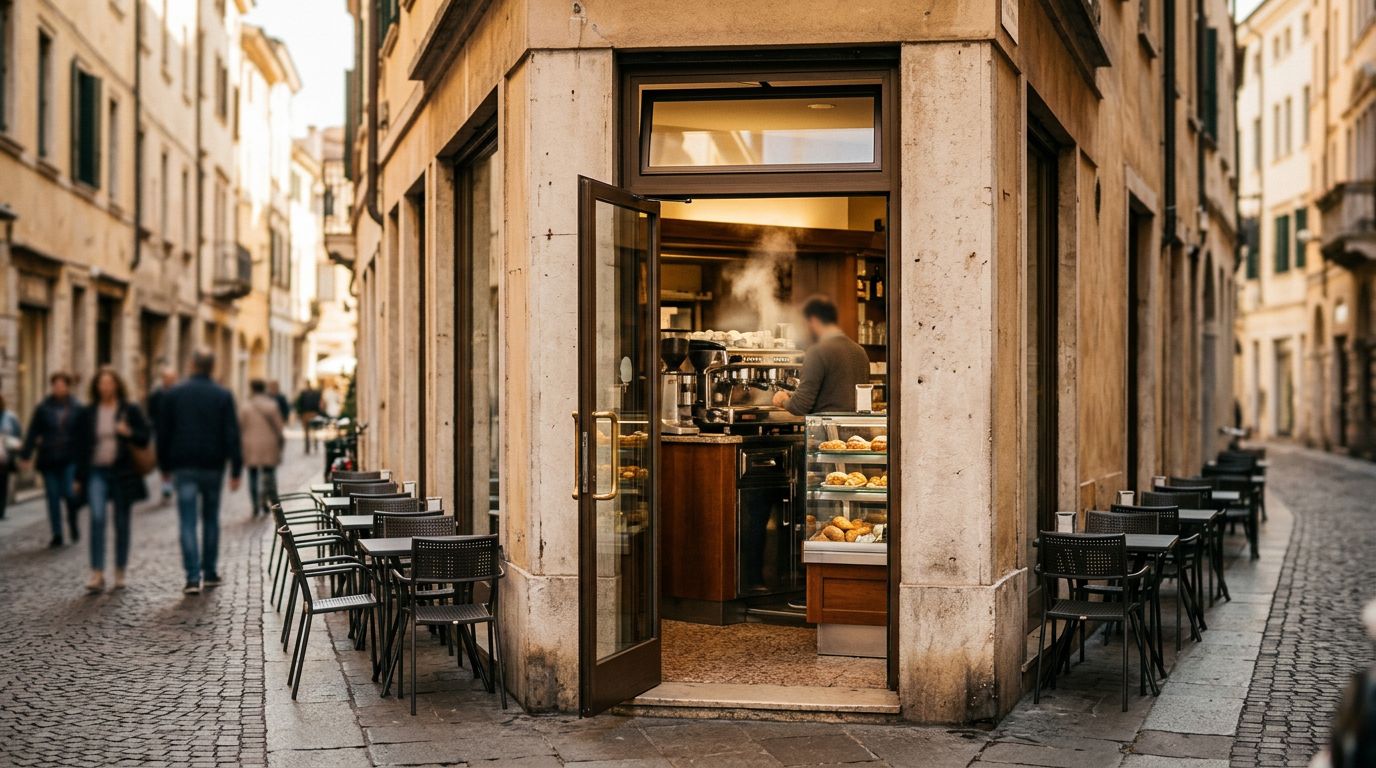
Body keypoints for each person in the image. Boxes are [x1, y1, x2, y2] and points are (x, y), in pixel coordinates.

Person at [155, 350, 242, 594]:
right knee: (211, 519)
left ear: (191, 364)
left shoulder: (174, 394)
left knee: (187, 521)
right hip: (213, 465)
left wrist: (163, 466)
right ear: (212, 367)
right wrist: (235, 468)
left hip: (183, 465)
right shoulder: (223, 395)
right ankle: (210, 572)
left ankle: (193, 577)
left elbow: (164, 433)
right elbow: (231, 433)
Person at [73, 367, 151, 593]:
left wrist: (128, 433)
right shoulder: (88, 412)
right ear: (96, 387)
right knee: (96, 518)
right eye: (101, 383)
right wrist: (79, 476)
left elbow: (145, 438)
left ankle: (120, 570)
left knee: (121, 522)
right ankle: (97, 572)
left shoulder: (130, 409)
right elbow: (80, 447)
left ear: (117, 385)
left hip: (122, 473)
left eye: (109, 382)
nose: (105, 387)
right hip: (97, 471)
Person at [771, 295, 871, 416]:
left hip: (827, 431)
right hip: (856, 431)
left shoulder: (817, 352)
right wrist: (793, 396)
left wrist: (783, 399)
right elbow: (834, 395)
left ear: (813, 321)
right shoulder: (859, 351)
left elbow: (800, 406)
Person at [20, 372, 83, 548]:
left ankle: (73, 522)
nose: (58, 388)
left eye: (62, 385)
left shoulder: (77, 408)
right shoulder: (43, 408)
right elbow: (33, 432)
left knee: (70, 494)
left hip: (69, 459)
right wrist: (26, 455)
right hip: (49, 459)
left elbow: (83, 435)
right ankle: (57, 533)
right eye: (55, 385)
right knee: (53, 497)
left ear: (68, 387)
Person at [240, 379, 284, 517]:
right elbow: (279, 428)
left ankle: (255, 505)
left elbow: (240, 427)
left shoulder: (245, 407)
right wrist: (280, 444)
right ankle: (264, 501)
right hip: (269, 445)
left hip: (250, 445)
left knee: (252, 476)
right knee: (269, 475)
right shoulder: (271, 406)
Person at [146, 365, 178, 502]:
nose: (169, 381)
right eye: (167, 378)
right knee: (163, 461)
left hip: (177, 434)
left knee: (175, 460)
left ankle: (172, 482)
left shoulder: (179, 393)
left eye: (172, 378)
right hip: (161, 433)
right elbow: (151, 413)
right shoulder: (156, 395)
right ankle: (166, 485)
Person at [0, 395, 22, 520]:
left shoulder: (9, 417)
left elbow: (18, 434)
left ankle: (1, 511)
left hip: (4, 457)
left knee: (2, 484)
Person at [294, 381, 323, 454]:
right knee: (314, 431)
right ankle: (313, 446)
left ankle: (308, 447)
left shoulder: (304, 393)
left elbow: (299, 404)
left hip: (306, 414)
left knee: (308, 432)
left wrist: (299, 413)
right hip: (313, 413)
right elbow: (319, 404)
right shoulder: (315, 393)